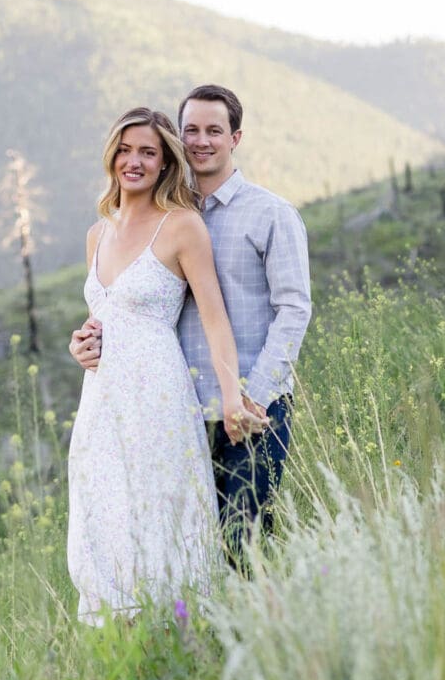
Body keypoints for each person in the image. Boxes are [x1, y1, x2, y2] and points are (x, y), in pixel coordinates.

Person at [71, 85, 312, 562]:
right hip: (173, 411)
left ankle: (260, 634)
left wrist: (251, 395)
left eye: (214, 131)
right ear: (179, 142)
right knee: (182, 545)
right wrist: (87, 342)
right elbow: (129, 306)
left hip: (249, 409)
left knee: (243, 546)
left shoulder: (270, 214)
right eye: (191, 131)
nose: (202, 141)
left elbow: (295, 310)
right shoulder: (161, 218)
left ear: (235, 137)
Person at [66, 107, 265, 622]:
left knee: (160, 513)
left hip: (158, 396)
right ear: (112, 156)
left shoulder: (181, 227)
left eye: (148, 152)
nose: (134, 161)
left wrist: (230, 396)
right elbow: (101, 321)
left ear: (164, 163)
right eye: (126, 150)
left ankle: (180, 627)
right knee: (105, 513)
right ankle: (117, 637)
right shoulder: (97, 234)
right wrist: (81, 346)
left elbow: (216, 320)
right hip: (102, 400)